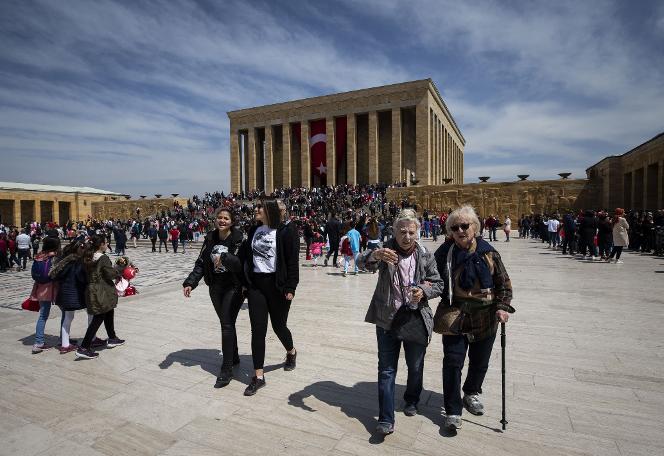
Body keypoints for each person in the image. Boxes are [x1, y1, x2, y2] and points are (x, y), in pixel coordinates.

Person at [358, 208, 444, 435]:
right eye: (402, 232)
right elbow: (361, 262)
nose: (407, 237)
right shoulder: (385, 252)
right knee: (386, 370)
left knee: (415, 366)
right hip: (388, 320)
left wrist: (424, 290)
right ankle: (386, 418)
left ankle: (412, 398)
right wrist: (374, 255)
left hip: (415, 318)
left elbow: (438, 283)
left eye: (411, 232)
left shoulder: (425, 255)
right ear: (394, 232)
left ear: (418, 232)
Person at [433, 205, 514, 431]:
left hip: (485, 316)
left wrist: (503, 306)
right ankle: (452, 409)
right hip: (455, 314)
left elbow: (503, 284)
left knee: (480, 363)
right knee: (452, 363)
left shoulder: (489, 253)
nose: (460, 230)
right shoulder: (444, 253)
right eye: (455, 227)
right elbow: (430, 276)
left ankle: (471, 392)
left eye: (465, 225)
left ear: (475, 227)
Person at [239, 199, 299, 396]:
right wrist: (245, 283)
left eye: (259, 208)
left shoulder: (285, 231)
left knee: (279, 326)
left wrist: (291, 287)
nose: (255, 210)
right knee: (258, 330)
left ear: (269, 211)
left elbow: (292, 261)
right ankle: (259, 376)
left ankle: (291, 352)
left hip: (277, 287)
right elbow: (247, 257)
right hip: (256, 286)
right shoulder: (254, 229)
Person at [183, 207, 244, 388]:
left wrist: (225, 257)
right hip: (215, 287)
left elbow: (241, 264)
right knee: (227, 323)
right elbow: (201, 262)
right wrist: (190, 282)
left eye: (226, 218)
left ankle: (226, 369)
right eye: (220, 217)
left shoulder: (239, 238)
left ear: (232, 221)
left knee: (226, 324)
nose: (222, 220)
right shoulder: (210, 237)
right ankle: (233, 355)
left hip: (233, 287)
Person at [76, 234, 124, 359]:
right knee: (99, 317)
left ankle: (112, 337)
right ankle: (84, 347)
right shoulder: (102, 258)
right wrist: (120, 270)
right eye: (106, 243)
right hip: (101, 289)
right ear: (101, 244)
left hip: (92, 288)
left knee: (108, 310)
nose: (107, 245)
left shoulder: (87, 256)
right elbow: (109, 273)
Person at [49, 239, 87, 354]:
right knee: (90, 314)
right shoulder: (77, 262)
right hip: (74, 294)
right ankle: (92, 338)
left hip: (64, 294)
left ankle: (65, 345)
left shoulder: (64, 262)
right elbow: (81, 278)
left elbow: (57, 276)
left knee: (67, 318)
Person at [29, 236, 61, 353]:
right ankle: (64, 339)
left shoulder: (39, 256)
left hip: (40, 288)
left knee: (42, 316)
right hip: (53, 288)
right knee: (66, 313)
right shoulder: (54, 257)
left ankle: (38, 342)